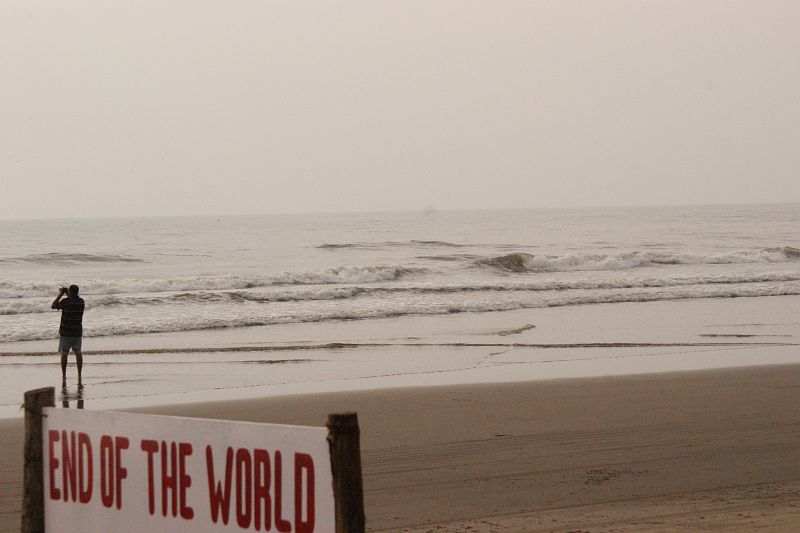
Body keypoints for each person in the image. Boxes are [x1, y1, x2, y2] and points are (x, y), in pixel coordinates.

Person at [52, 285, 85, 382]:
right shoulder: (81, 302)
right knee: (78, 352)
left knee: (64, 353)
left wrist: (61, 294)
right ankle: (79, 374)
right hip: (77, 331)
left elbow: (53, 305)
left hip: (66, 332)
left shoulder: (65, 302)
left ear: (70, 293)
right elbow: (73, 300)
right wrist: (68, 293)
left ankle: (64, 375)